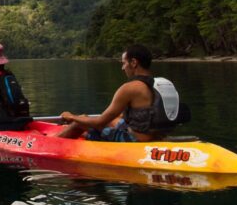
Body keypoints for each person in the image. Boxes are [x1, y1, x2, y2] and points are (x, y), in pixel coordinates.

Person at [56, 44, 184, 142]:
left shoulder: (129, 88)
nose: (123, 68)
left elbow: (99, 122)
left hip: (135, 140)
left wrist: (72, 117)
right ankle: (86, 133)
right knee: (100, 119)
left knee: (79, 122)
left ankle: (54, 142)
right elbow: (141, 115)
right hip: (154, 135)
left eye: (124, 63)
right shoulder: (158, 84)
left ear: (133, 63)